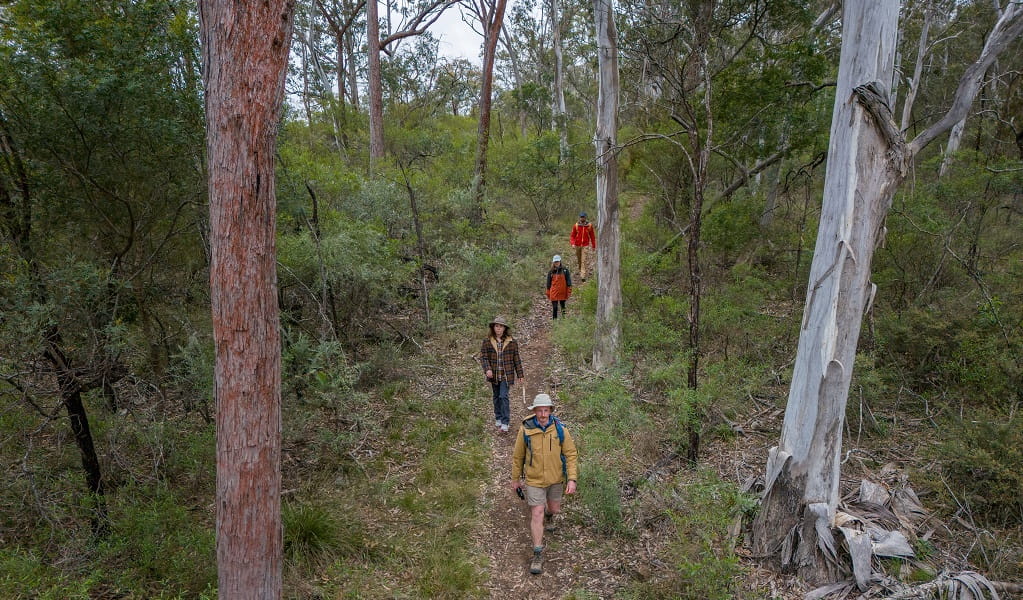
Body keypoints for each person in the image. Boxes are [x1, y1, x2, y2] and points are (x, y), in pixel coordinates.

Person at [511, 393, 578, 575]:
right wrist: (516, 479)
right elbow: (518, 456)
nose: (542, 414)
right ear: (534, 411)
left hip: (555, 479)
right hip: (534, 480)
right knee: (537, 512)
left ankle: (550, 515)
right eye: (539, 410)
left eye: (545, 410)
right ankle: (537, 553)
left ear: (550, 411)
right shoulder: (526, 429)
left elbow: (571, 454)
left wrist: (572, 479)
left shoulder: (560, 429)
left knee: (554, 509)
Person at [479, 316, 523, 433]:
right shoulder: (487, 341)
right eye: (496, 326)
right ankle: (498, 417)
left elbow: (516, 359)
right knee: (496, 397)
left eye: (501, 326)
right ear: (493, 327)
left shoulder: (511, 342)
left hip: (506, 375)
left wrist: (520, 374)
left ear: (504, 328)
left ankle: (505, 422)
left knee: (503, 396)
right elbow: (483, 357)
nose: (498, 329)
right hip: (493, 375)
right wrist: (487, 369)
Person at [569, 212, 596, 281]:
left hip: (585, 245)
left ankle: (583, 276)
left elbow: (592, 236)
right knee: (579, 260)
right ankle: (581, 270)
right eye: (581, 217)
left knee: (583, 260)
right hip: (577, 245)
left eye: (583, 217)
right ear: (579, 217)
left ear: (585, 217)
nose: (582, 218)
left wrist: (593, 245)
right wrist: (572, 243)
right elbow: (572, 236)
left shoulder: (589, 226)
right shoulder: (576, 225)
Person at [545, 255, 572, 320]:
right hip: (554, 292)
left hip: (562, 291)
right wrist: (548, 291)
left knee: (563, 306)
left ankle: (564, 320)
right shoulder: (551, 272)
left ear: (560, 261)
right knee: (555, 307)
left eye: (557, 261)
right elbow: (548, 283)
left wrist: (569, 290)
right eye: (555, 262)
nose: (556, 263)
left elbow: (568, 281)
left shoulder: (565, 270)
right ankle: (555, 322)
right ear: (553, 262)